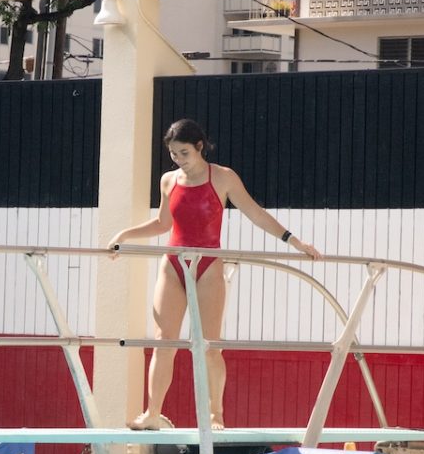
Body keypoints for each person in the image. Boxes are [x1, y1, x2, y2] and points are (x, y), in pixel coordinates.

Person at [107, 118, 322, 431]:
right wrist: (123, 235)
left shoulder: (222, 177)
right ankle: (152, 413)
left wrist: (295, 241)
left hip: (209, 265)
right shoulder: (169, 180)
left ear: (199, 147)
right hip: (174, 264)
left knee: (209, 344)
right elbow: (162, 224)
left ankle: (214, 416)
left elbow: (256, 214)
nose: (178, 160)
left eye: (183, 153)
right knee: (163, 341)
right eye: (173, 154)